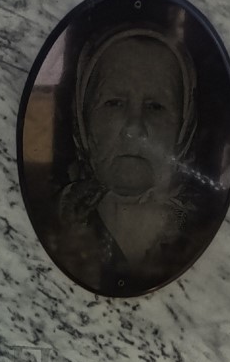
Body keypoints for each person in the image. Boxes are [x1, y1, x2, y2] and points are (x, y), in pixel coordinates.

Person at [49, 25, 220, 295]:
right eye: (114, 103)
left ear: (184, 126)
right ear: (83, 117)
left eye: (155, 107)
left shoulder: (205, 227)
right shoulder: (54, 217)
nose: (134, 128)